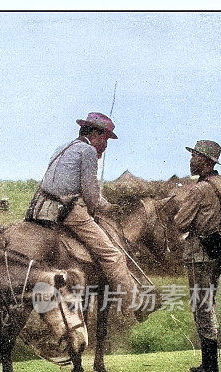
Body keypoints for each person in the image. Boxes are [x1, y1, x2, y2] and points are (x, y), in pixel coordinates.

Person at [26, 112, 143, 320]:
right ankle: (134, 306)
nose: (105, 145)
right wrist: (107, 208)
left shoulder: (62, 147)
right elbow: (90, 195)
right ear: (94, 134)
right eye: (105, 139)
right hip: (67, 212)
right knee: (113, 256)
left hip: (38, 209)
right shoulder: (87, 151)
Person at [174, 140, 221, 372]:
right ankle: (207, 364)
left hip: (200, 255)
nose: (191, 160)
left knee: (202, 308)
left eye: (196, 156)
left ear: (208, 161)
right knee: (207, 304)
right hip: (218, 252)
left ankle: (210, 370)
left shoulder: (199, 189)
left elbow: (181, 222)